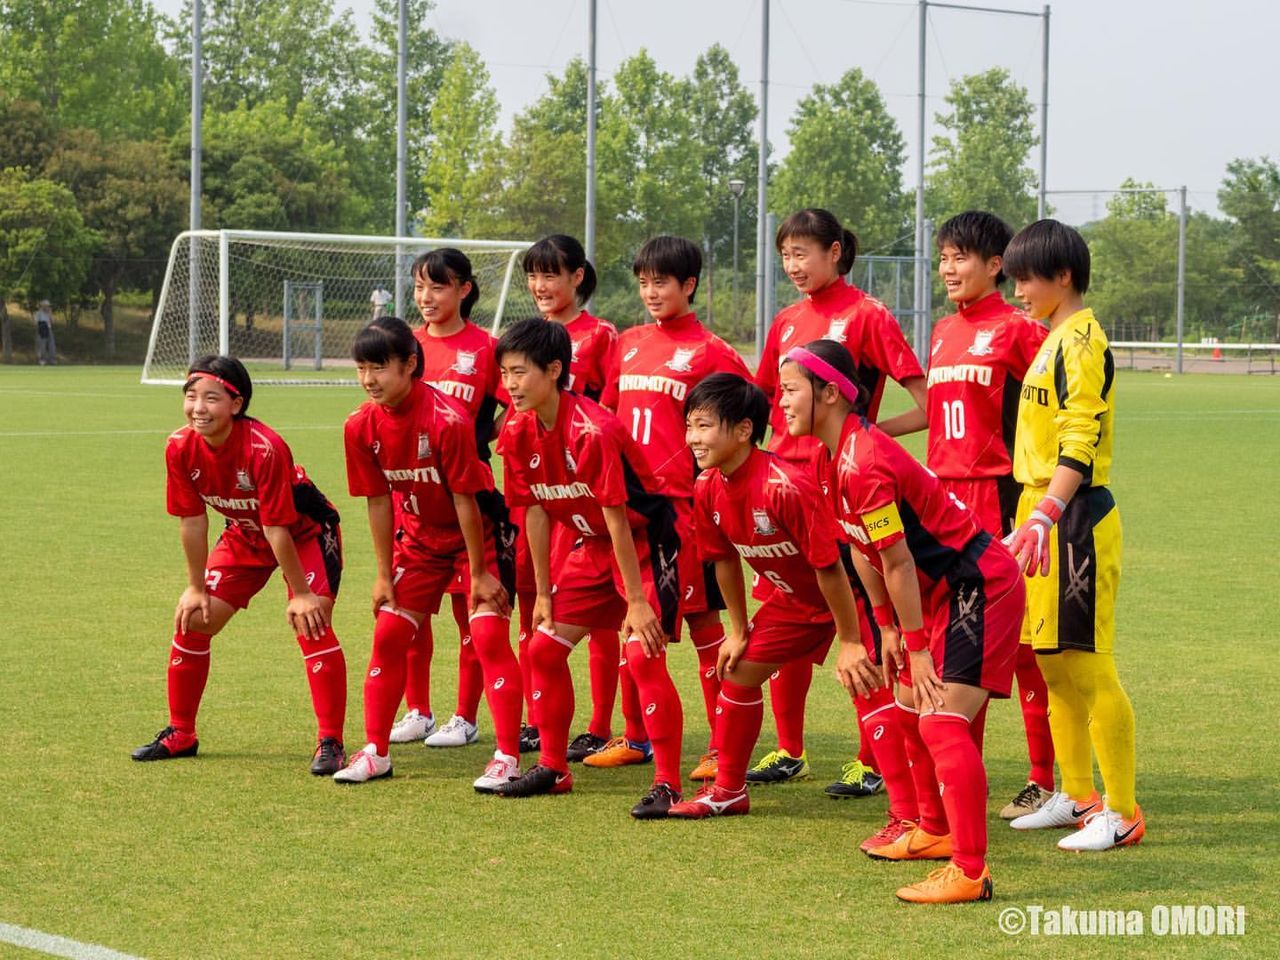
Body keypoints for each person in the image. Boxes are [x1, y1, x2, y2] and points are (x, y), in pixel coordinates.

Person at [779, 339, 1024, 904]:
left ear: (831, 393)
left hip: (979, 584)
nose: (783, 402)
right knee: (913, 708)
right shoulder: (828, 456)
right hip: (939, 593)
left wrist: (913, 647)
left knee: (939, 721)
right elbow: (863, 549)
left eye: (791, 390)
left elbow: (897, 559)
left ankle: (970, 872)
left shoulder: (864, 461)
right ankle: (935, 832)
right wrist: (886, 628)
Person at [753, 209, 928, 794]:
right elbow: (761, 402)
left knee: (864, 625)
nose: (793, 266)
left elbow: (925, 404)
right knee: (789, 617)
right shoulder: (784, 321)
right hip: (783, 491)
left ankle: (872, 759)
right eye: (786, 255)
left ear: (835, 252)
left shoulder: (867, 315)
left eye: (803, 253)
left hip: (842, 489)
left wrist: (870, 440)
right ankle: (788, 749)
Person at [667, 373, 882, 819]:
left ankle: (912, 813)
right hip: (794, 604)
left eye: (704, 426)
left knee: (877, 699)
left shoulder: (784, 486)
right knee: (738, 673)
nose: (692, 439)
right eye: (690, 426)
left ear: (744, 430)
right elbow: (724, 558)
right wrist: (738, 630)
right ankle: (728, 791)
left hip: (854, 597)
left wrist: (850, 641)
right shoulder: (707, 486)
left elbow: (831, 567)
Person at [493, 318, 684, 817]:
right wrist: (544, 597)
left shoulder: (593, 430)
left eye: (519, 372)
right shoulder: (516, 431)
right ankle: (554, 768)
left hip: (644, 545)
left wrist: (638, 603)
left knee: (643, 657)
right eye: (505, 373)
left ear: (554, 370)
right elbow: (534, 509)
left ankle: (667, 783)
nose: (510, 384)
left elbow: (621, 520)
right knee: (544, 649)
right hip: (589, 545)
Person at [131, 356, 348, 776]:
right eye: (191, 397)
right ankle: (181, 732)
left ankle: (330, 741)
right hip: (245, 533)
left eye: (211, 398)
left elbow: (278, 527)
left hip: (302, 534)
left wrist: (301, 594)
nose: (198, 407)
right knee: (193, 618)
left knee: (312, 623)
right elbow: (193, 521)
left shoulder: (264, 447)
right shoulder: (179, 446)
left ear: (236, 403)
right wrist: (196, 586)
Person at [1001, 219, 1144, 852]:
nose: (1019, 291)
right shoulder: (1051, 338)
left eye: (1026, 278)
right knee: (1051, 663)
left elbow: (1079, 439)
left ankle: (1122, 811)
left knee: (1089, 665)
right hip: (1043, 513)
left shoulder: (1082, 342)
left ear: (1063, 276)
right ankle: (1078, 796)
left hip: (1074, 518)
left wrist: (1045, 515)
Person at [333, 317, 523, 791]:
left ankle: (507, 757)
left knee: (488, 637)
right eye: (362, 368)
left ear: (410, 365)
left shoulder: (448, 420)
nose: (369, 379)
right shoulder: (359, 426)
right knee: (389, 635)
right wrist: (382, 574)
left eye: (379, 367)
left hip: (472, 539)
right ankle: (375, 752)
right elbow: (379, 501)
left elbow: (466, 500)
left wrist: (479, 572)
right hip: (417, 544)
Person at [594, 235, 753, 782]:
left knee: (704, 623)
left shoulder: (714, 353)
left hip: (688, 513)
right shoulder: (628, 343)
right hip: (630, 511)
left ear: (688, 285)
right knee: (633, 623)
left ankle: (718, 744)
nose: (651, 291)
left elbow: (747, 429)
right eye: (642, 282)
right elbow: (610, 417)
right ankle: (636, 736)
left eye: (661, 281)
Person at [927, 210, 1055, 819]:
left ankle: (1043, 778)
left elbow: (1051, 414)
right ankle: (962, 779)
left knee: (1025, 645)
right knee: (958, 645)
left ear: (996, 265)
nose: (949, 269)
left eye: (961, 258)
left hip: (999, 497)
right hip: (942, 503)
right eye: (944, 258)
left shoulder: (1019, 330)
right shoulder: (942, 331)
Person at [388, 249, 509, 753]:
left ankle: (464, 716)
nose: (426, 297)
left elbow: (513, 404)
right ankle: (417, 710)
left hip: (466, 497)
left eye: (437, 287)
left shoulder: (486, 348)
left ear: (464, 289)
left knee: (470, 610)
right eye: (419, 287)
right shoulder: (405, 346)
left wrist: (486, 445)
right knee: (409, 610)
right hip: (411, 497)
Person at [519, 235, 621, 761]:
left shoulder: (601, 335)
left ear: (578, 276)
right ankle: (540, 720)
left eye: (551, 275)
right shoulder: (528, 338)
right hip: (542, 486)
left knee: (603, 612)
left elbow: (611, 408)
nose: (541, 286)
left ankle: (601, 724)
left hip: (587, 486)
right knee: (540, 600)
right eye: (534, 276)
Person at [34, 299, 57, 365]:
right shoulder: (38, 313)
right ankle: (42, 359)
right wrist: (42, 324)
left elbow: (53, 322)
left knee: (52, 345)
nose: (47, 307)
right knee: (42, 345)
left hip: (49, 329)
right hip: (41, 330)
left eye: (48, 306)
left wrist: (50, 314)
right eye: (46, 306)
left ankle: (52, 360)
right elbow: (35, 322)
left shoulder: (49, 313)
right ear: (42, 306)